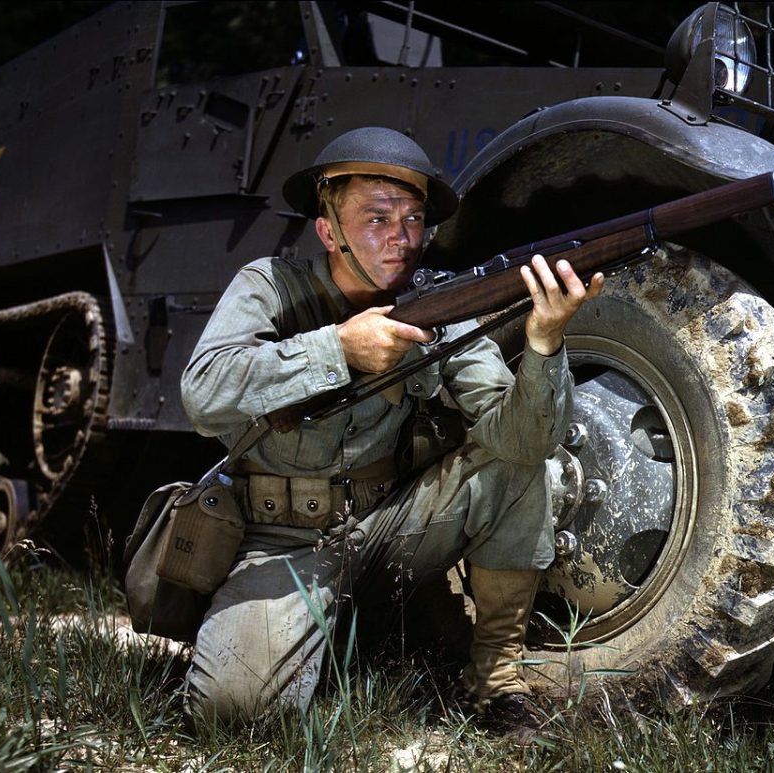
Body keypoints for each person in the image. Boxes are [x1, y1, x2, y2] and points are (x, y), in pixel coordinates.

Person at [179, 126, 604, 734]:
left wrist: (543, 343)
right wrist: (336, 350)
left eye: (412, 220)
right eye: (377, 219)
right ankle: (347, 629)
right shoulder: (269, 287)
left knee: (515, 465)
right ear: (329, 231)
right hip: (281, 539)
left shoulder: (439, 307)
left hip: (395, 527)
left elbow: (523, 442)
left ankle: (495, 681)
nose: (401, 239)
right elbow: (202, 395)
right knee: (235, 714)